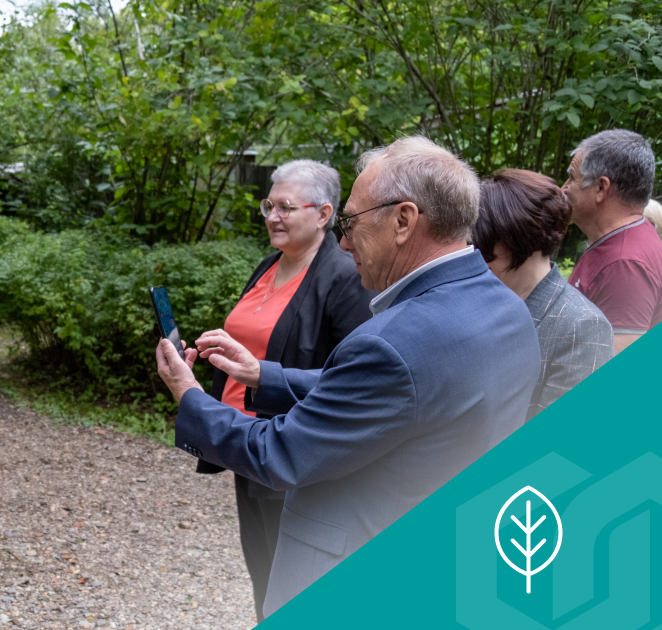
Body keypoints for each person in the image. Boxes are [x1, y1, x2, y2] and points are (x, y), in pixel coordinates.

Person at [155, 136, 539, 617]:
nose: (344, 240)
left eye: (352, 221)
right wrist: (262, 375)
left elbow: (281, 453)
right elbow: (395, 399)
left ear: (403, 220)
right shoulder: (506, 306)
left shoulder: (393, 340)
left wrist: (189, 394)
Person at [195, 160, 372, 622]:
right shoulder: (268, 264)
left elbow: (353, 377)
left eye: (286, 207)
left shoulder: (345, 277)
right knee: (262, 569)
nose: (273, 215)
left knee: (292, 577)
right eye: (268, 205)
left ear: (324, 213)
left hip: (293, 451)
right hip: (244, 443)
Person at [473, 169, 613, 421]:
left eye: (485, 245)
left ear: (524, 239)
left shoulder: (582, 326)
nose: (476, 256)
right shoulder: (478, 304)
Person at [562, 129, 662, 354]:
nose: (564, 188)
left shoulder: (625, 264)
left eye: (572, 178)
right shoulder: (620, 240)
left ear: (601, 188)